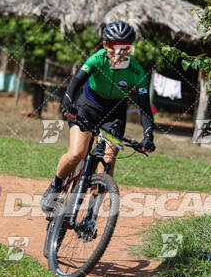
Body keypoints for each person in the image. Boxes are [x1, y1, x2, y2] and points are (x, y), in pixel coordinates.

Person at [41, 20, 155, 214]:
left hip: (115, 112)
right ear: (104, 45)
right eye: (112, 45)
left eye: (124, 46)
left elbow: (145, 107)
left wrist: (148, 136)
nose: (118, 51)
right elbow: (75, 83)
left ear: (129, 48)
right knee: (77, 152)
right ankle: (56, 185)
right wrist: (68, 103)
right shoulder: (96, 59)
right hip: (88, 106)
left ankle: (91, 214)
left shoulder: (137, 71)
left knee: (108, 160)